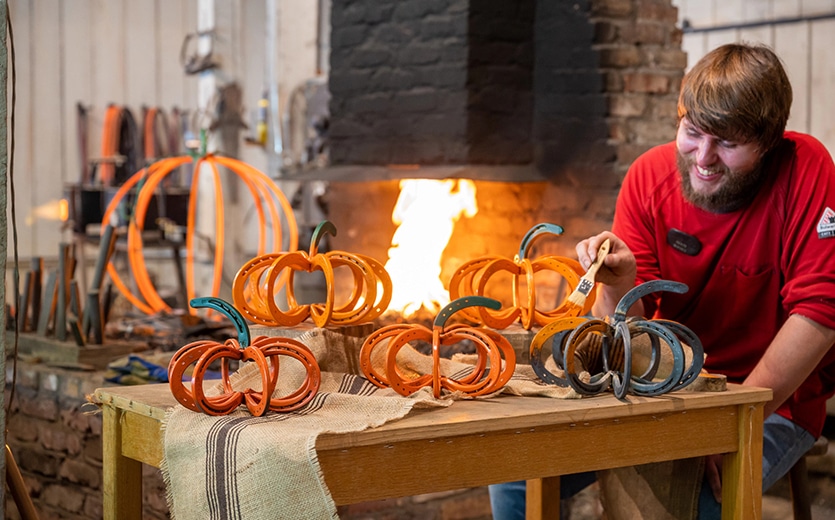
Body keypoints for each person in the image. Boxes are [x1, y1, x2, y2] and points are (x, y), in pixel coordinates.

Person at [490, 42, 835, 519]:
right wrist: (620, 284)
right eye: (692, 132)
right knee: (513, 473)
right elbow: (623, 342)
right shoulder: (647, 176)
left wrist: (730, 423)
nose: (704, 158)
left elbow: (819, 313)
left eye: (728, 143)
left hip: (771, 401)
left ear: (770, 142)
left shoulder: (806, 167)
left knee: (687, 504)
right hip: (664, 387)